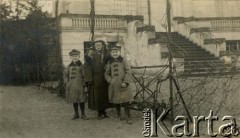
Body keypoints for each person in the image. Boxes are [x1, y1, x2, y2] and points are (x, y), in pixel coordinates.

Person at [104, 42, 134, 124]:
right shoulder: (109, 62)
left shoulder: (123, 60)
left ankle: (128, 117)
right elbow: (106, 73)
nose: (115, 53)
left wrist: (125, 82)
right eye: (113, 52)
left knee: (126, 101)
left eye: (116, 52)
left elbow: (128, 71)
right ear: (111, 53)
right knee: (116, 100)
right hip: (114, 85)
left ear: (119, 52)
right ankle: (119, 115)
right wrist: (110, 80)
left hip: (123, 84)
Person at [84, 39, 111, 119]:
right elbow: (87, 65)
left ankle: (104, 112)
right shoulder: (91, 54)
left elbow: (109, 62)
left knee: (104, 94)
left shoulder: (106, 53)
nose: (98, 45)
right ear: (94, 45)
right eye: (97, 44)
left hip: (104, 77)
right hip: (95, 77)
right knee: (97, 95)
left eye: (100, 43)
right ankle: (100, 113)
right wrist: (89, 78)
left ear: (102, 45)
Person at [65, 49, 88, 120]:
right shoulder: (69, 67)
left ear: (79, 57)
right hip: (72, 86)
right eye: (73, 56)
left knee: (81, 100)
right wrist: (66, 82)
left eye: (76, 56)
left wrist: (85, 85)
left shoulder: (82, 66)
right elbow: (65, 75)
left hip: (80, 86)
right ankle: (76, 114)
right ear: (70, 57)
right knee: (74, 100)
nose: (74, 57)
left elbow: (85, 76)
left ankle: (83, 114)